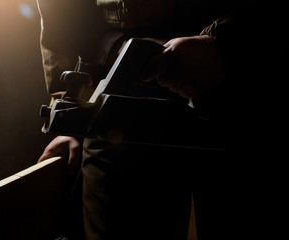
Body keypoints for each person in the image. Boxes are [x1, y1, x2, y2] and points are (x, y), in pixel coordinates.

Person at [36, 1, 288, 239]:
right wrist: (71, 109)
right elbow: (61, 15)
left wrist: (227, 40)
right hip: (120, 96)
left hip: (246, 78)